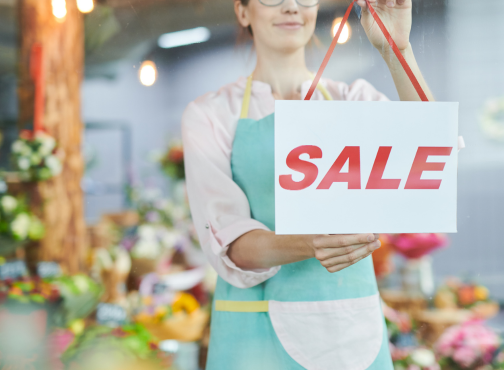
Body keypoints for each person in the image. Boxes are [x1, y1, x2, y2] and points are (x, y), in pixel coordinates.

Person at [182, 0, 432, 368]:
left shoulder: (351, 100)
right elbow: (228, 240)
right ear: (243, 11)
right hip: (255, 330)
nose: (291, 7)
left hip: (351, 328)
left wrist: (398, 48)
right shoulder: (212, 114)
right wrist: (310, 244)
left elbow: (429, 151)